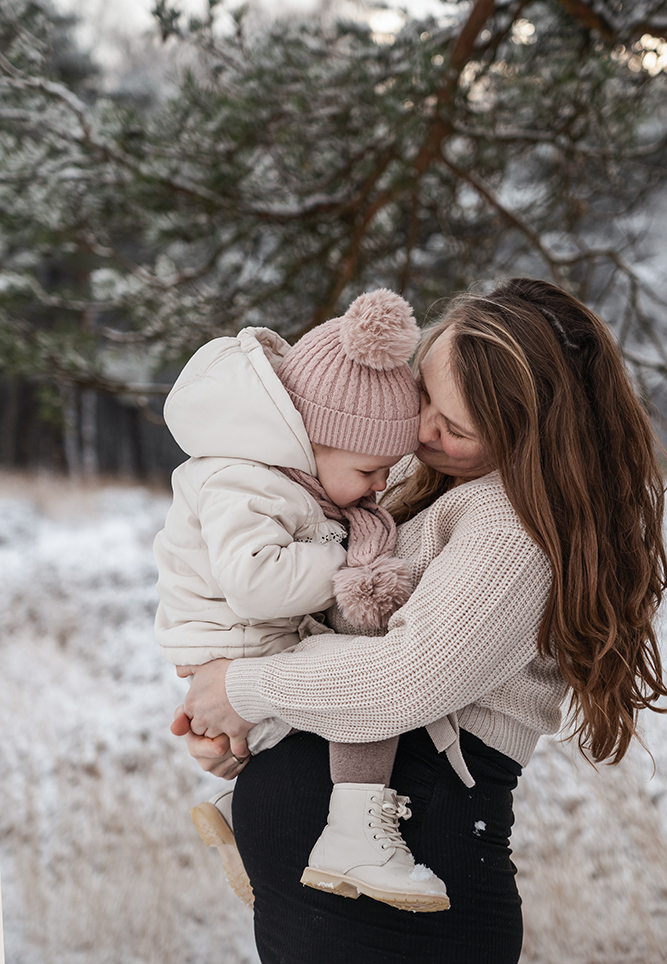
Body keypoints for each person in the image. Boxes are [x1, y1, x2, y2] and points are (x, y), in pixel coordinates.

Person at [173, 277, 667, 964]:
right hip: (336, 894)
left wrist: (243, 688)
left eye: (455, 427)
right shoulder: (419, 476)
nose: (421, 426)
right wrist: (245, 725)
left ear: (530, 434)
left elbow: (405, 680)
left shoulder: (513, 530)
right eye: (423, 393)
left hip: (405, 886)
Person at [155, 288, 451, 913]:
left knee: (287, 731)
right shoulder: (245, 479)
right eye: (370, 471)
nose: (380, 487)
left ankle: (244, 815)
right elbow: (254, 581)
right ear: (313, 439)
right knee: (361, 679)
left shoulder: (287, 476)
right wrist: (348, 561)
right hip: (240, 641)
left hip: (242, 643)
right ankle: (355, 832)